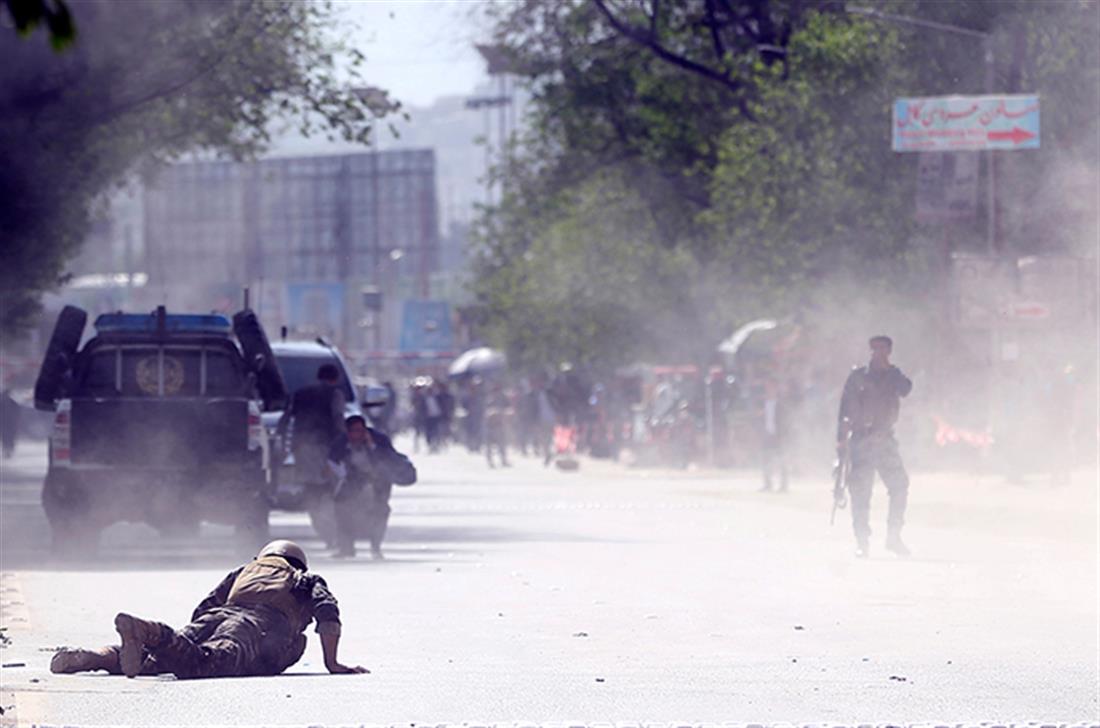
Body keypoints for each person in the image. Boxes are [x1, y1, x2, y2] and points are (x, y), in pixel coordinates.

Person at [49, 540, 367, 678]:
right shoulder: (303, 578)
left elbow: (205, 607)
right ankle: (150, 631)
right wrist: (333, 663)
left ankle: (94, 656)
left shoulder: (246, 569)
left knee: (155, 660)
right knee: (202, 664)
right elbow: (328, 614)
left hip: (219, 617)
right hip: (256, 625)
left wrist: (189, 638)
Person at [836, 335, 913, 558]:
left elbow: (906, 389)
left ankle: (893, 536)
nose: (878, 353)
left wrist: (891, 370)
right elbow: (844, 412)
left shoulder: (893, 375)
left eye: (883, 349)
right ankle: (862, 541)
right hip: (861, 440)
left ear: (889, 351)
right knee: (861, 492)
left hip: (885, 439)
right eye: (874, 348)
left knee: (899, 485)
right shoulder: (858, 377)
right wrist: (840, 442)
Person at [327, 415, 417, 559]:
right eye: (353, 431)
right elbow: (331, 461)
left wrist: (372, 447)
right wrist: (342, 476)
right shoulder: (341, 442)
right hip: (353, 480)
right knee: (341, 506)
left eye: (360, 431)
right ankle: (346, 548)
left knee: (381, 510)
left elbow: (389, 459)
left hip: (379, 480)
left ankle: (376, 547)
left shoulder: (379, 439)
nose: (357, 435)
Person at [278, 363, 346, 491]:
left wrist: (285, 445)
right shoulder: (335, 394)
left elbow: (286, 419)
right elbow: (338, 419)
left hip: (301, 445)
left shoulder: (300, 393)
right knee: (327, 481)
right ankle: (321, 507)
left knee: (308, 481)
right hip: (325, 445)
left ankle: (312, 505)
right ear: (336, 379)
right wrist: (342, 443)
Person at [483, 384, 512, 468]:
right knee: (489, 445)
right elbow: (485, 412)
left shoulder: (503, 399)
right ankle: (490, 461)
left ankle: (503, 460)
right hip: (490, 426)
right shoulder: (489, 400)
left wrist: (503, 413)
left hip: (500, 425)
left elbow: (509, 409)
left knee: (502, 444)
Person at [0, 387, 20, 458]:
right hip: (9, 422)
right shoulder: (13, 400)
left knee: (6, 436)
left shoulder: (3, 400)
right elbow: (17, 412)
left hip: (5, 422)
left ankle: (7, 449)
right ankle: (8, 449)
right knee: (9, 436)